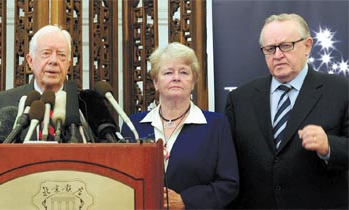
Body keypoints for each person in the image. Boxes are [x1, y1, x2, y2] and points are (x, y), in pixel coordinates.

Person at [225, 13, 348, 209]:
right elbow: (228, 166)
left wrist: (329, 146)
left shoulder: (341, 90)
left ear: (307, 46)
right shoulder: (240, 98)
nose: (278, 55)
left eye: (286, 46)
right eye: (270, 49)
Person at [121, 42, 239, 209]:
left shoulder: (216, 125)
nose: (176, 77)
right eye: (168, 72)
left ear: (193, 81)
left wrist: (186, 200)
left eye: (184, 72)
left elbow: (229, 184)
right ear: (156, 82)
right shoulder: (133, 125)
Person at [0, 25, 72, 141]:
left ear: (68, 65)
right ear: (30, 61)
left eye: (61, 55)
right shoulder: (2, 102)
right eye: (46, 53)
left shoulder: (82, 107)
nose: (54, 61)